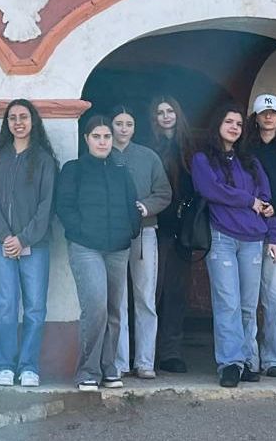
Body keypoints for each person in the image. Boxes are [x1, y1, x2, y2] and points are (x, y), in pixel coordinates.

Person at [191, 106, 276, 388]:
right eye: (228, 121)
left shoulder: (250, 162)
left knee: (246, 305)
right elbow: (211, 189)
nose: (234, 127)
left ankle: (246, 361)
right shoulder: (203, 159)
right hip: (222, 236)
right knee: (227, 302)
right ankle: (229, 363)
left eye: (239, 124)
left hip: (253, 239)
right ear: (216, 124)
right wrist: (249, 201)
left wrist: (266, 215)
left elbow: (265, 195)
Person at [0, 99, 58, 388]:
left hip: (35, 244)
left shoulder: (45, 160)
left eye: (24, 117)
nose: (19, 122)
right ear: (7, 124)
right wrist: (5, 236)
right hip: (2, 243)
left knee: (35, 307)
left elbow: (47, 206)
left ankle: (29, 366)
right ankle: (5, 366)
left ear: (33, 121)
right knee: (5, 305)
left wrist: (23, 238)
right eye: (13, 118)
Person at [57, 117, 141, 391]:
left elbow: (132, 204)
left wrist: (130, 230)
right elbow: (65, 206)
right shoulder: (74, 170)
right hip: (86, 248)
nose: (103, 141)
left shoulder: (121, 171)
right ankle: (87, 371)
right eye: (97, 136)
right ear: (87, 139)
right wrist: (80, 232)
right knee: (95, 308)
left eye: (106, 136)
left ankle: (109, 368)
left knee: (114, 310)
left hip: (118, 248)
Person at [106, 106, 172, 381]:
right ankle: (119, 363)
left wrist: (144, 208)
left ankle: (145, 361)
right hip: (111, 236)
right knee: (117, 300)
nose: (123, 128)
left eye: (128, 123)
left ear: (134, 127)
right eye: (118, 123)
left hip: (145, 232)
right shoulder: (102, 154)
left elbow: (164, 192)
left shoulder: (148, 156)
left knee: (145, 298)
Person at [244, 93, 276, 378]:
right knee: (248, 299)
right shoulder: (244, 150)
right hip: (246, 231)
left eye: (273, 113)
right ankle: (249, 357)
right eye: (263, 113)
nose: (268, 117)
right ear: (255, 117)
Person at [144, 94, 193, 374]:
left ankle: (171, 352)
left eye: (170, 110)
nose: (165, 115)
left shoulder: (191, 149)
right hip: (154, 227)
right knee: (151, 291)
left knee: (176, 292)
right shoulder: (148, 149)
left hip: (182, 230)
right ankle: (145, 352)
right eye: (160, 111)